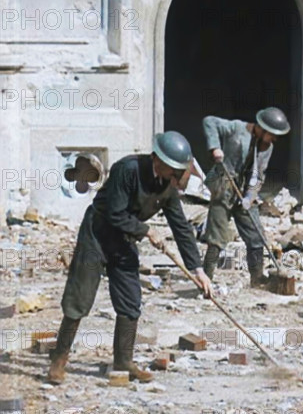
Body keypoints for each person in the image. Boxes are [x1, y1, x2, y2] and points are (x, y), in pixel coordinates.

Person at [47, 131, 212, 384]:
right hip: (98, 234)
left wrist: (198, 270)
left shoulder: (167, 186)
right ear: (158, 159)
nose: (176, 176)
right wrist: (146, 230)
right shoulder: (127, 169)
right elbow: (115, 213)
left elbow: (181, 227)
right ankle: (59, 359)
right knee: (79, 299)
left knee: (130, 300)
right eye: (173, 170)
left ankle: (123, 360)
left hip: (124, 241)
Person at [202, 107, 290, 287]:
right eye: (272, 134)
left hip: (244, 191)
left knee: (256, 235)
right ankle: (205, 280)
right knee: (217, 237)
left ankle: (257, 279)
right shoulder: (236, 128)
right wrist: (215, 147)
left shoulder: (268, 147)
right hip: (224, 186)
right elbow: (209, 121)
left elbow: (260, 175)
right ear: (263, 128)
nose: (274, 139)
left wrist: (250, 197)